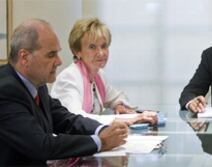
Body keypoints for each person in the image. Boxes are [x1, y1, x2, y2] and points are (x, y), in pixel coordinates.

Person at [0, 19, 129, 166]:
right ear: (24, 57)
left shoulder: (37, 83)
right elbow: (42, 145)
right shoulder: (5, 90)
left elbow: (64, 119)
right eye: (51, 55)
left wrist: (101, 130)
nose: (59, 61)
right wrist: (101, 142)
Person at [51, 18, 157, 125]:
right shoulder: (69, 78)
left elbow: (116, 97)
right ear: (77, 51)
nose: (101, 53)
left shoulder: (98, 75)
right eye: (92, 47)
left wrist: (118, 106)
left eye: (104, 46)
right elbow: (77, 119)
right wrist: (127, 120)